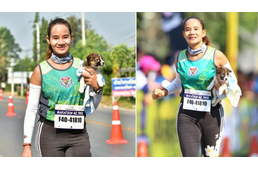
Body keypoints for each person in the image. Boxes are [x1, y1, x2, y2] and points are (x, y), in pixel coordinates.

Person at [152, 16, 241, 157]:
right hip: (186, 114)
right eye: (187, 29)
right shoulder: (180, 57)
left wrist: (222, 88)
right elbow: (178, 82)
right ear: (183, 34)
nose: (191, 32)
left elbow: (233, 83)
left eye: (195, 29)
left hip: (212, 115)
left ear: (203, 32)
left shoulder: (216, 56)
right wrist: (165, 91)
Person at [21, 18, 103, 157]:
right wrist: (27, 145)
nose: (60, 42)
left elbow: (91, 105)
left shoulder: (83, 66)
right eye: (55, 38)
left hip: (78, 135)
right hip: (49, 135)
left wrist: (97, 89)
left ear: (71, 38)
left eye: (65, 37)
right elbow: (31, 109)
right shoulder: (41, 70)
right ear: (48, 40)